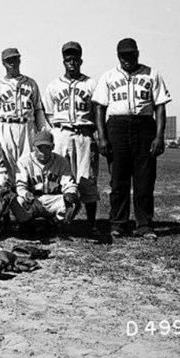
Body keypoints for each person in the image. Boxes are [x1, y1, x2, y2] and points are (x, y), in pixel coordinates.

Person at [93, 38, 171, 240]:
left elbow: (160, 106)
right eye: (123, 55)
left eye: (130, 54)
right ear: (118, 56)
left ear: (137, 53)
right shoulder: (109, 76)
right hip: (117, 127)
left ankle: (144, 225)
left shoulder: (151, 74)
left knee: (144, 181)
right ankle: (118, 224)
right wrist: (102, 137)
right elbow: (100, 108)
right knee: (118, 181)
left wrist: (159, 137)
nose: (127, 59)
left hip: (144, 126)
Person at [43, 41, 100, 236]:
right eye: (68, 59)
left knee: (87, 178)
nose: (72, 62)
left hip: (84, 133)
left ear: (81, 60)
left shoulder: (91, 84)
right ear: (63, 61)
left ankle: (91, 224)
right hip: (61, 132)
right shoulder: (53, 85)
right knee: (59, 178)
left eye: (75, 59)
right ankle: (61, 222)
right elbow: (49, 114)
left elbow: (97, 111)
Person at [0, 47, 48, 184]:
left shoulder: (31, 83)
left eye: (15, 59)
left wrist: (42, 130)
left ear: (20, 60)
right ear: (3, 63)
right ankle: (11, 201)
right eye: (9, 61)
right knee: (7, 166)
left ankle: (27, 198)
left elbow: (38, 109)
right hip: (6, 127)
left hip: (27, 127)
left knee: (28, 164)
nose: (12, 63)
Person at [10, 130, 80, 231]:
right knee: (17, 201)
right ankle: (28, 225)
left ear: (53, 147)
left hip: (54, 200)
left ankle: (54, 224)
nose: (43, 151)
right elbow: (20, 185)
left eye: (47, 147)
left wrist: (70, 193)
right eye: (39, 148)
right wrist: (25, 194)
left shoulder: (61, 161)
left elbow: (69, 183)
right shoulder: (24, 161)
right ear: (34, 147)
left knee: (73, 201)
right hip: (34, 200)